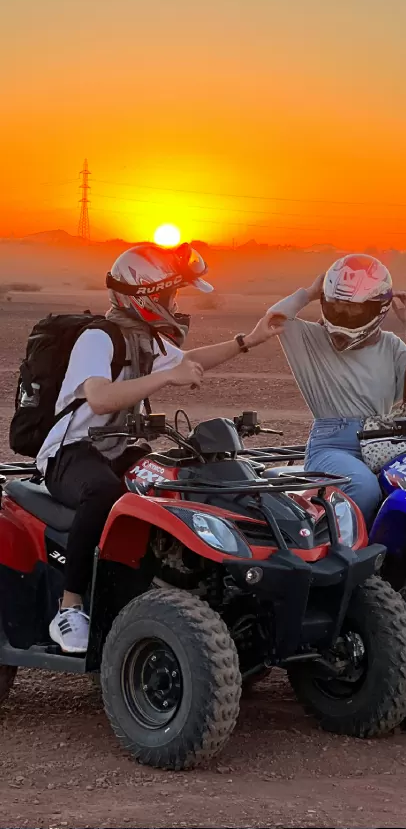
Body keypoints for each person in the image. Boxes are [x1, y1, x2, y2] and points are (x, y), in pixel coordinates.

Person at [41, 242, 282, 653]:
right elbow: (99, 399)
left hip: (116, 449)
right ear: (145, 296)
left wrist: (250, 340)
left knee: (174, 481)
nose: (174, 303)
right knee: (104, 494)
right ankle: (69, 607)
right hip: (71, 452)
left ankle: (159, 590)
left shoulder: (145, 338)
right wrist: (165, 380)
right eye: (170, 295)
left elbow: (192, 359)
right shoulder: (99, 338)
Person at [265, 254, 406, 528]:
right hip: (331, 444)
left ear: (378, 308)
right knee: (363, 488)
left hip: (382, 442)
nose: (345, 315)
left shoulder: (390, 345)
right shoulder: (310, 339)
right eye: (337, 306)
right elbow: (273, 320)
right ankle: (344, 559)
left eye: (356, 309)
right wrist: (308, 293)